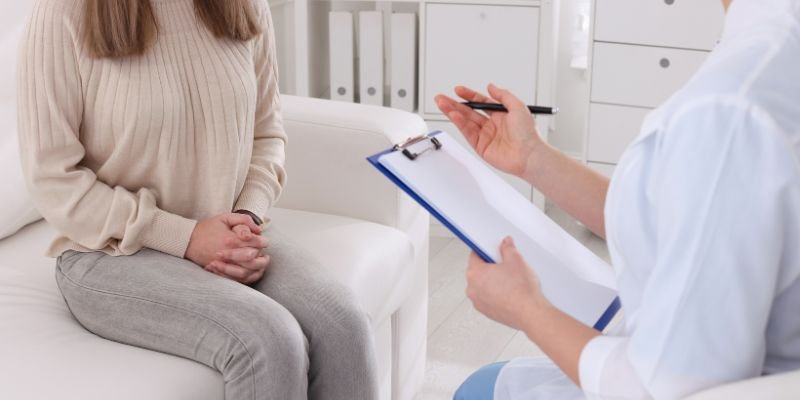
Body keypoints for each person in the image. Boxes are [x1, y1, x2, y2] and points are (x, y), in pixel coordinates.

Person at [435, 0, 800, 398]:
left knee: (478, 391)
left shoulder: (729, 109)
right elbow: (674, 218)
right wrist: (533, 158)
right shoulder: (769, 58)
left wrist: (526, 308)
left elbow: (667, 388)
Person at [17, 1, 377, 399]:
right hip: (110, 253)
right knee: (269, 339)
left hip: (228, 230)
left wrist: (246, 215)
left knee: (342, 322)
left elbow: (267, 134)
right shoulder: (62, 13)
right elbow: (53, 179)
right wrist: (188, 238)